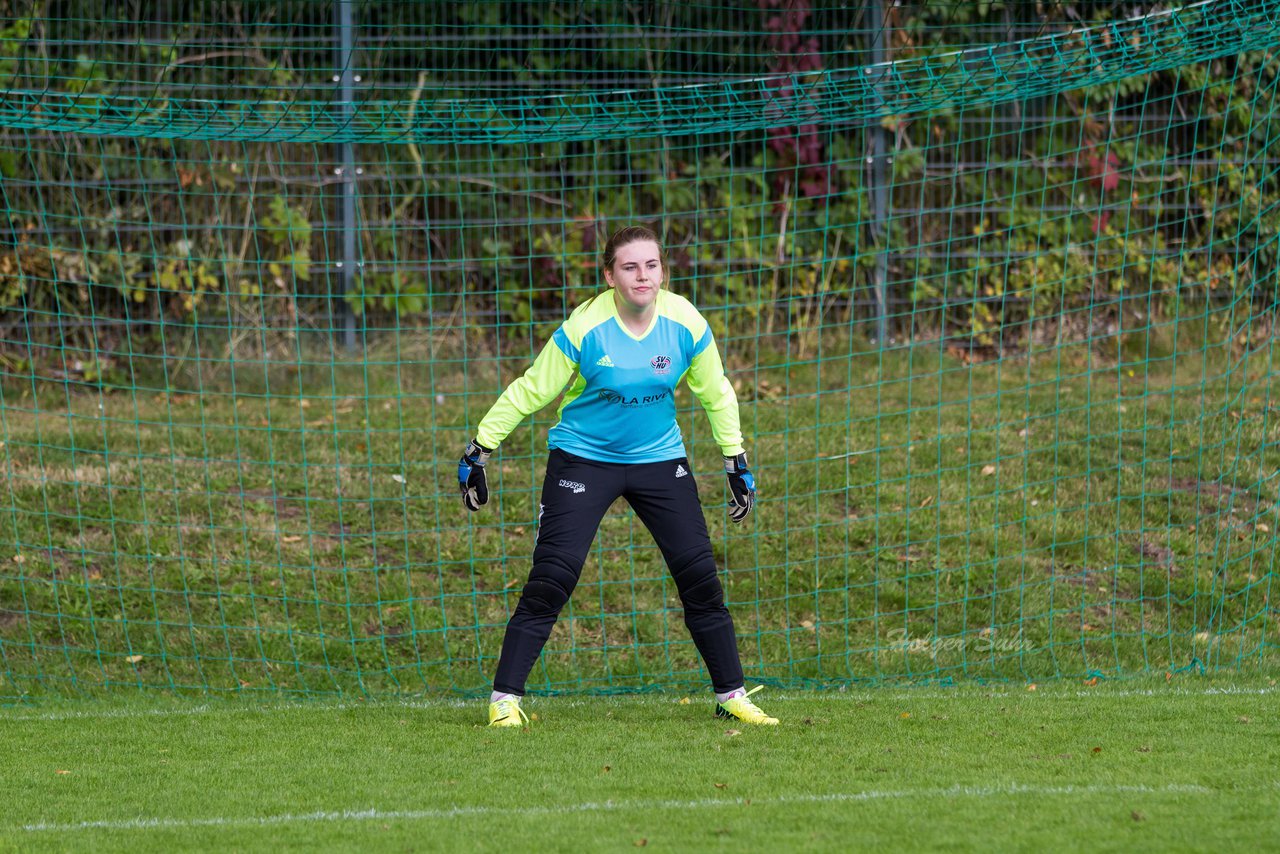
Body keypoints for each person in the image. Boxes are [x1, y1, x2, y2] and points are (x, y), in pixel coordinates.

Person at [457, 225, 777, 728]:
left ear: (662, 272)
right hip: (583, 459)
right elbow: (531, 389)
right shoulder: (586, 326)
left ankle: (731, 695)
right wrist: (480, 449)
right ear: (610, 276)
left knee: (699, 575)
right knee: (553, 575)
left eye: (651, 265)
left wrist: (734, 460)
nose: (642, 275)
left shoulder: (686, 321)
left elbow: (716, 392)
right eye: (629, 267)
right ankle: (504, 701)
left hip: (659, 460)